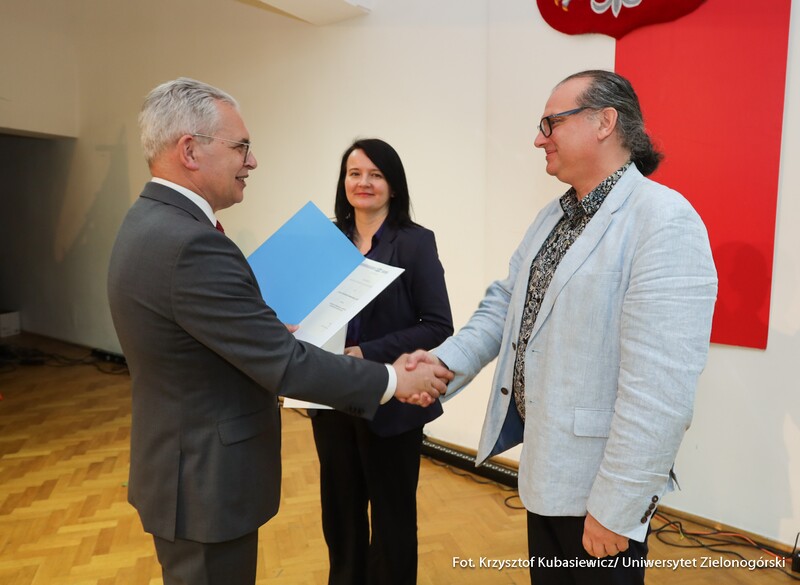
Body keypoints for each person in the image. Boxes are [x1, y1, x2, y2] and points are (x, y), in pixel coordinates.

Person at [106, 78, 452, 585]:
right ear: (190, 151)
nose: (252, 161)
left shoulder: (147, 221)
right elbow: (284, 363)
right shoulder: (195, 244)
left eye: (375, 174)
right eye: (241, 147)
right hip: (204, 481)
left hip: (187, 469)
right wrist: (394, 379)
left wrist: (262, 329)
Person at [404, 70, 718, 585]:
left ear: (604, 122)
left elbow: (660, 391)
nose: (539, 138)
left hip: (600, 493)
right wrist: (442, 363)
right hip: (548, 472)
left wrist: (617, 508)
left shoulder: (663, 220)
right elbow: (504, 307)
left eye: (551, 122)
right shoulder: (552, 217)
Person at [310, 139, 453, 585]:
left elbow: (437, 324)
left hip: (393, 400)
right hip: (331, 396)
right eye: (355, 173)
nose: (364, 183)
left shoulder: (414, 242)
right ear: (344, 181)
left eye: (376, 175)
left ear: (393, 185)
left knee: (392, 520)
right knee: (340, 514)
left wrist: (365, 353)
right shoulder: (325, 240)